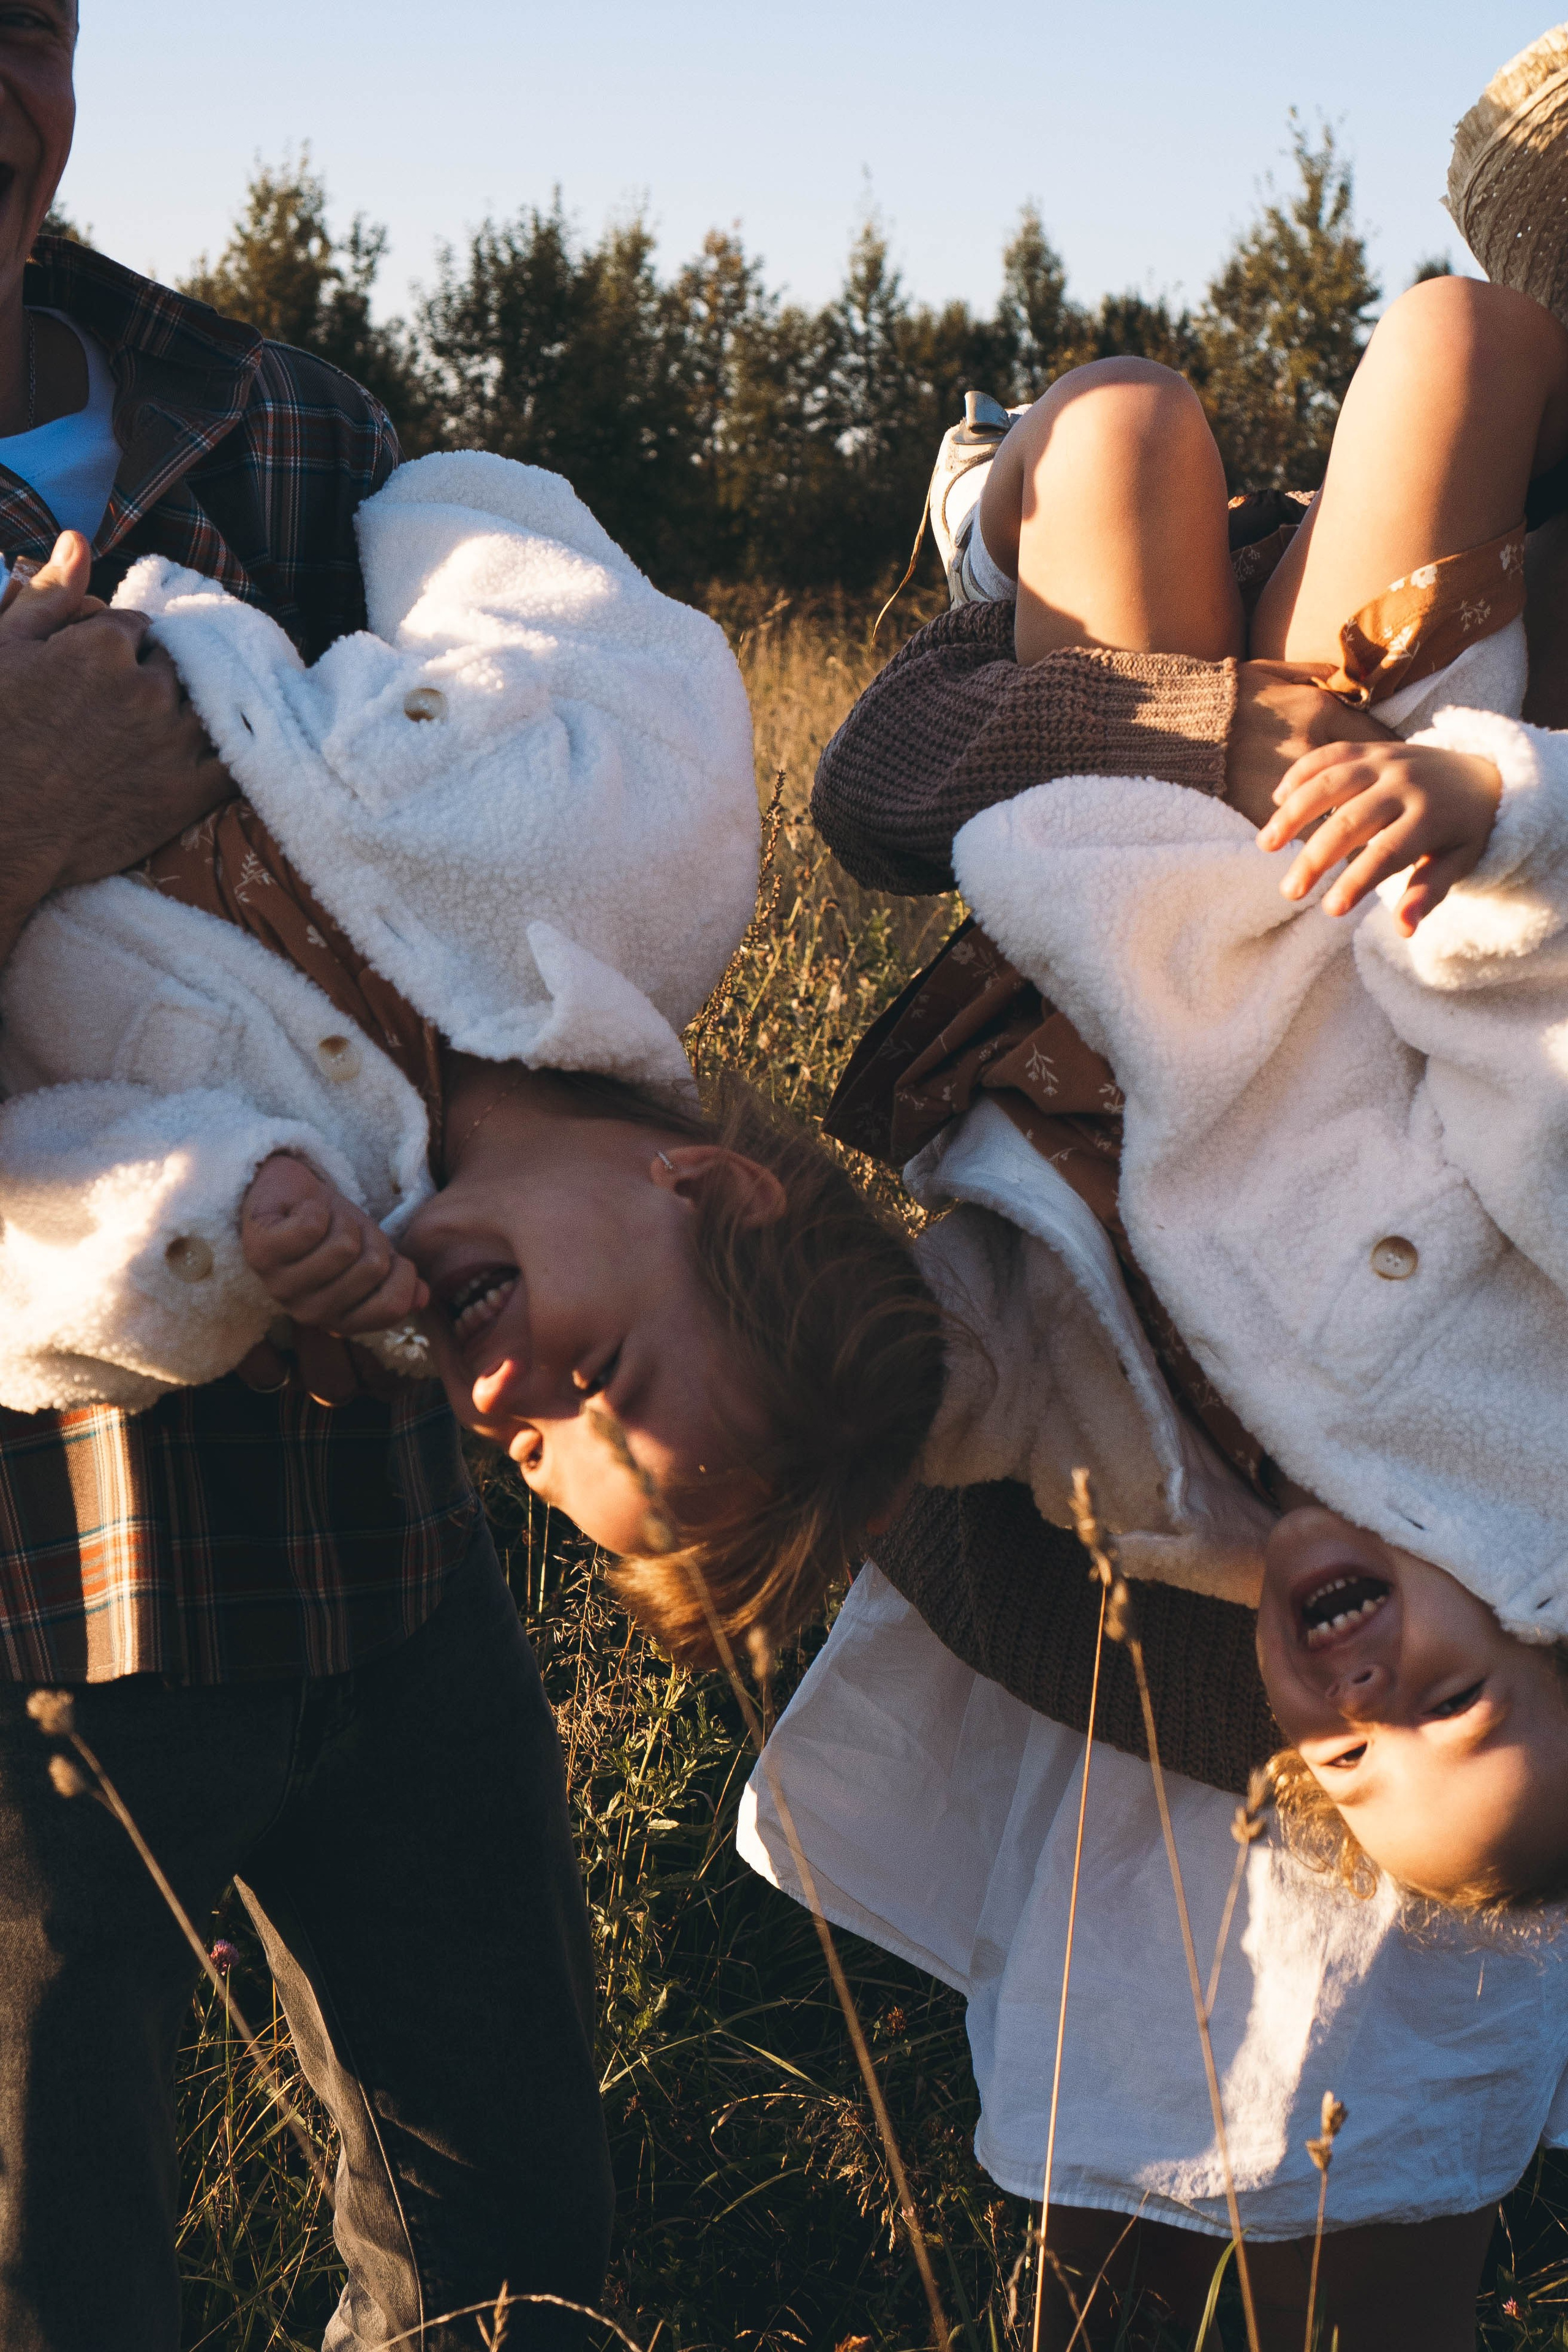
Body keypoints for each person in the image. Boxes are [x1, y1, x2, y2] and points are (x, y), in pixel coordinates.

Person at [743, 53, 1568, 2350]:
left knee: (1112, 430)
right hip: (1416, 868)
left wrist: (848, 1354)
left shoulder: (1206, 1555)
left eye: (1348, 1761)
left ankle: (1006, 524)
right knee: (1458, 342)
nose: (1359, 1707)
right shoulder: (1535, 1457)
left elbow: (983, 1354)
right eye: (1442, 1718)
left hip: (1169, 914)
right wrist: (1487, 826)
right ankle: (1073, 538)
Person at [0, 10, 606, 2346]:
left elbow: (490, 905)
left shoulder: (289, 423)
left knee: (513, 2264)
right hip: (27, 1611)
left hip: (380, 1553)